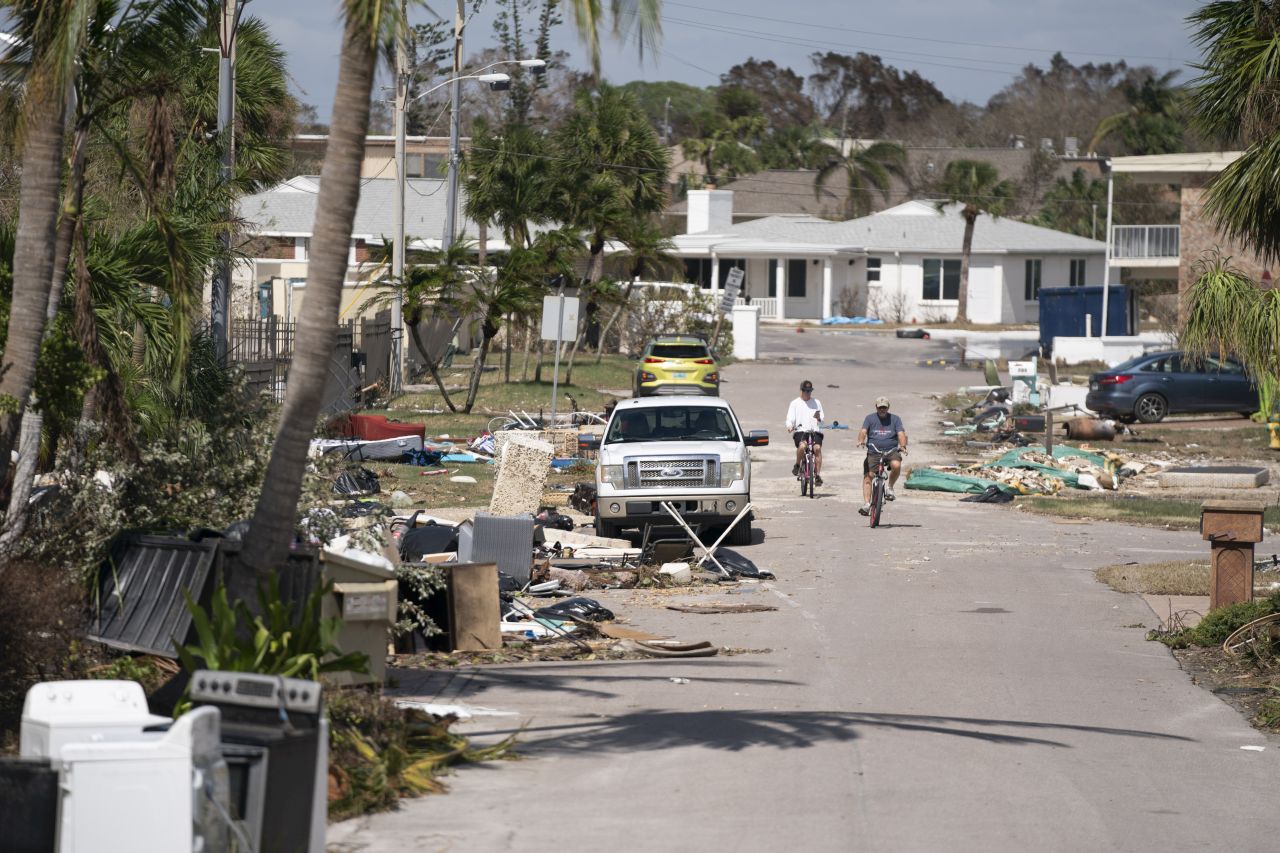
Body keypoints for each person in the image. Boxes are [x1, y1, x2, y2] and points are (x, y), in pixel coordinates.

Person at [857, 395, 907, 515]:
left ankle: (889, 487)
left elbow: (901, 434)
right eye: (880, 408)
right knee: (868, 476)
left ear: (888, 407)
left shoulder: (895, 419)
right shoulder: (870, 418)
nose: (882, 410)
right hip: (874, 451)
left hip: (891, 451)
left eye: (884, 407)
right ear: (876, 407)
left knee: (896, 464)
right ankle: (867, 504)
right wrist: (861, 440)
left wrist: (903, 446)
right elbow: (863, 431)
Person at [785, 379, 824, 486]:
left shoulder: (817, 402)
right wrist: (790, 426)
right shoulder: (795, 403)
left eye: (810, 391)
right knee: (802, 447)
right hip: (801, 431)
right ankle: (797, 465)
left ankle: (818, 475)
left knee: (817, 449)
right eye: (806, 391)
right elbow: (789, 419)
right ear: (801, 390)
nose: (808, 393)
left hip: (814, 431)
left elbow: (822, 419)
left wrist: (819, 418)